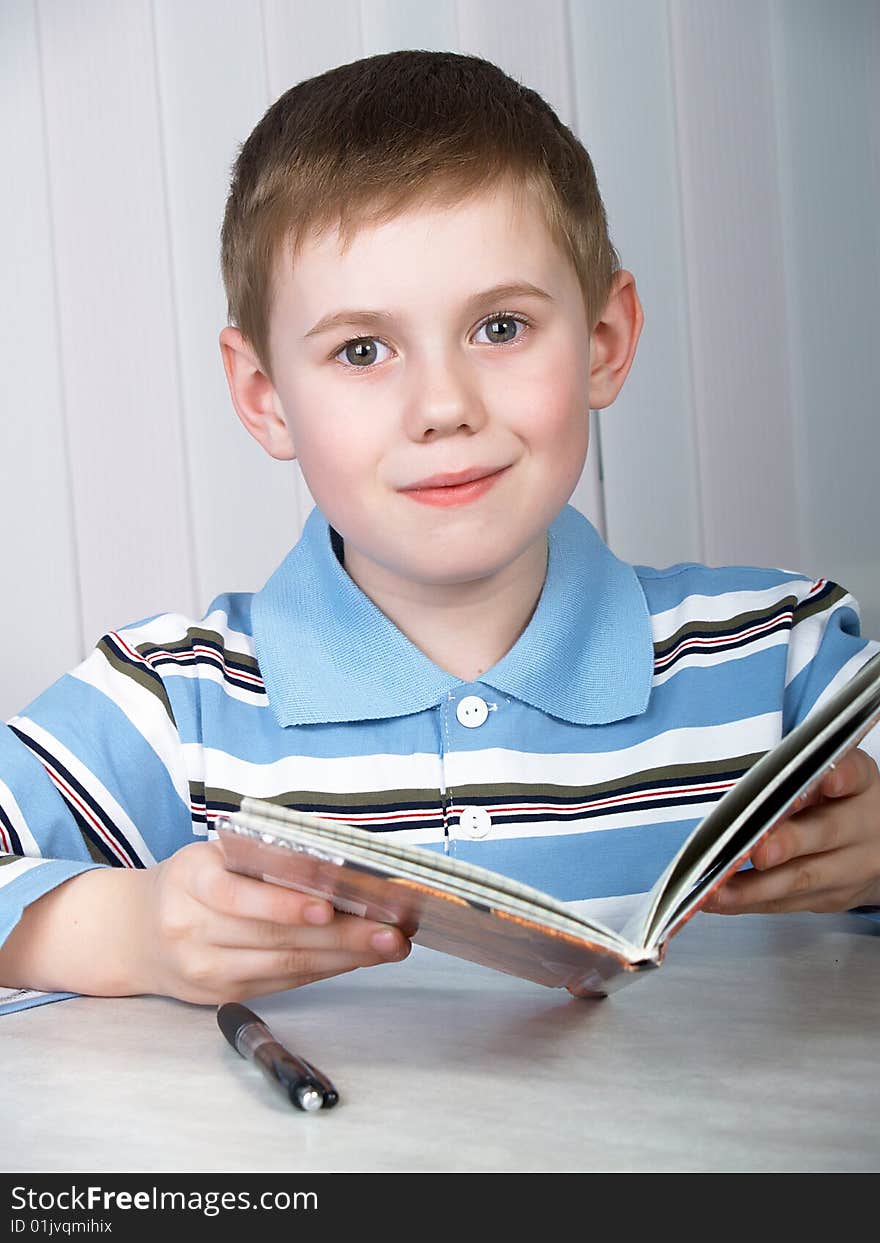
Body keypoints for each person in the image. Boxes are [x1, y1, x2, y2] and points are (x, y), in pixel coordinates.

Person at [1, 50, 878, 1014]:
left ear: (604, 340)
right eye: (362, 350)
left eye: (500, 328)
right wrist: (130, 934)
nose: (443, 406)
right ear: (265, 397)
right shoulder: (176, 705)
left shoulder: (780, 655)